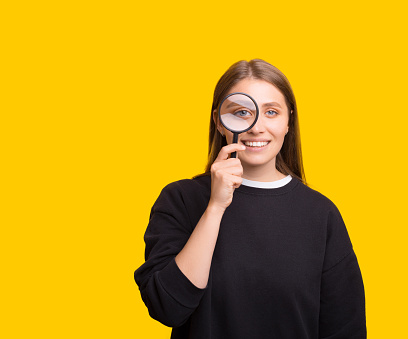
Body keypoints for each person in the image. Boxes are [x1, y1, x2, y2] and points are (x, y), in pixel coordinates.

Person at [134, 59, 367, 338]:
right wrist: (215, 207)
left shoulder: (321, 214)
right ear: (219, 122)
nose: (256, 127)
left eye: (271, 112)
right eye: (242, 112)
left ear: (289, 121)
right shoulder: (181, 200)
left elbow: (345, 330)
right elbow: (168, 308)